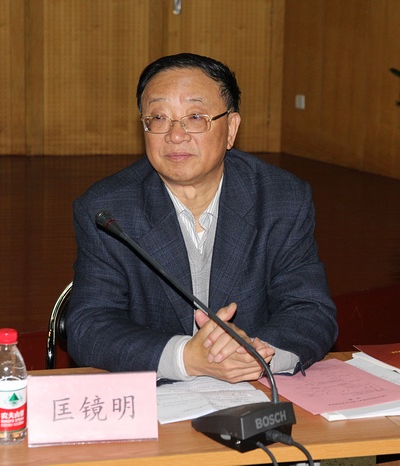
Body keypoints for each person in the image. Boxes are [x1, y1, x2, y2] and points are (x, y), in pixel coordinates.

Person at [67, 53, 337, 383]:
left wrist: (256, 354)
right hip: (160, 397)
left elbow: (310, 310)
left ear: (231, 129)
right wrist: (186, 357)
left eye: (195, 117)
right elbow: (89, 326)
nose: (175, 135)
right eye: (158, 118)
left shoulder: (282, 198)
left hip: (254, 389)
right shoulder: (107, 209)